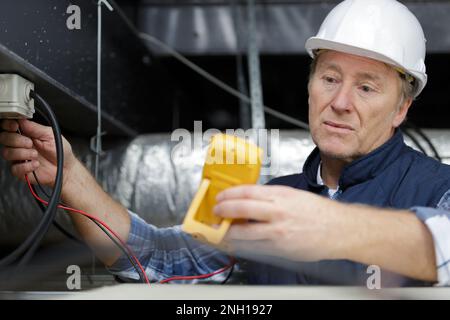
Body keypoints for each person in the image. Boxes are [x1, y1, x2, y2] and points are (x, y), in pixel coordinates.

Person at [0, 0, 449, 286]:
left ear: (401, 109)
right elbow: (158, 259)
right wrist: (74, 179)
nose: (341, 102)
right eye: (330, 78)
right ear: (311, 86)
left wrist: (332, 225)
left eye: (367, 88)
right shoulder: (272, 201)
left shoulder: (437, 187)